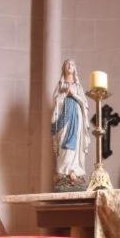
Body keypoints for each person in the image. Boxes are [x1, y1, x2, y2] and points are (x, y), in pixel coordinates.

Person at [51, 59, 90, 188]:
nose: (69, 66)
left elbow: (85, 104)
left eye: (72, 64)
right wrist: (64, 95)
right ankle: (63, 172)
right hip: (63, 119)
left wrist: (74, 95)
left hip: (76, 119)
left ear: (75, 69)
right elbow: (55, 101)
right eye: (67, 64)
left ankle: (74, 170)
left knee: (75, 143)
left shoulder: (78, 86)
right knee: (63, 142)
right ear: (63, 68)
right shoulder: (60, 85)